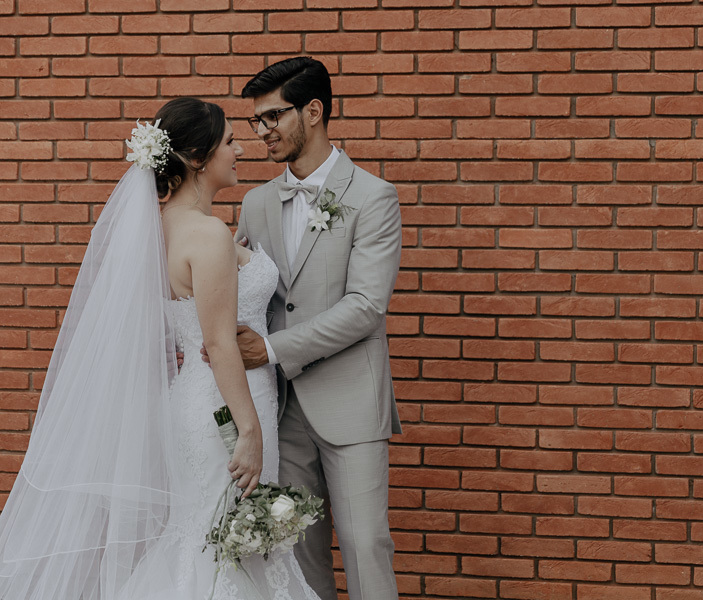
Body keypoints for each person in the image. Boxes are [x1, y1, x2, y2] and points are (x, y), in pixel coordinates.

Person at [0, 97, 320, 600]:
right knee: (222, 544)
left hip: (198, 400)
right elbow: (218, 342)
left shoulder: (162, 229)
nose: (240, 150)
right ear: (197, 158)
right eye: (230, 141)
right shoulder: (208, 234)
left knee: (208, 537)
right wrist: (249, 431)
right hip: (227, 409)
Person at [226, 56, 403, 600]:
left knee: (365, 546)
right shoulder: (256, 203)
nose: (262, 131)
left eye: (273, 116)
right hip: (279, 409)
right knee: (298, 558)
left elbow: (366, 306)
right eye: (256, 120)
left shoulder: (372, 196)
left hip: (350, 404)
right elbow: (237, 289)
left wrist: (270, 348)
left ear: (314, 111)